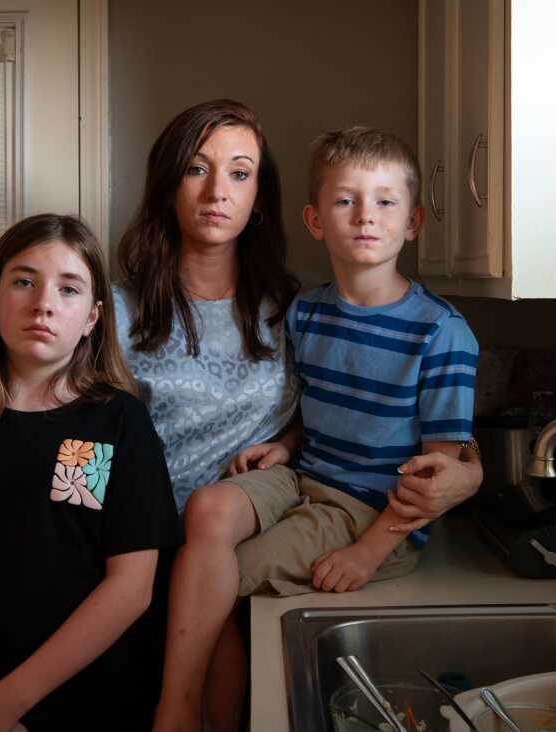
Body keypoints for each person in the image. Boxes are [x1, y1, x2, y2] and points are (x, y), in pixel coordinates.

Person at [0, 101, 483, 731]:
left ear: (259, 197)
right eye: (197, 168)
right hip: (115, 569)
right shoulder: (106, 308)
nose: (219, 191)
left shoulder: (291, 308)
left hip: (233, 558)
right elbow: (42, 423)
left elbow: (372, 409)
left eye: (240, 173)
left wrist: (467, 470)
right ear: (169, 183)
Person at [152, 126, 480, 732]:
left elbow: (440, 472)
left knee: (214, 575)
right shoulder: (306, 312)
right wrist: (286, 444)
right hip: (301, 480)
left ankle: (185, 715)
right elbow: (316, 405)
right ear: (314, 219)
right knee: (209, 512)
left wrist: (368, 550)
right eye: (345, 201)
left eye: (385, 201)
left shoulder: (439, 331)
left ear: (413, 222)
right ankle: (181, 710)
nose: (364, 217)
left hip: (364, 509)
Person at [0, 214, 182, 732]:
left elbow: (131, 586)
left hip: (91, 703)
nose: (43, 302)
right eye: (23, 281)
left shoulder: (118, 422)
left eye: (68, 289)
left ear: (93, 317)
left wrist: (10, 700)